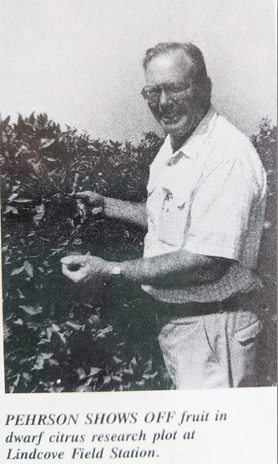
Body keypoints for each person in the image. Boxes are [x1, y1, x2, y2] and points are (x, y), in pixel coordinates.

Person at [61, 42, 267, 389]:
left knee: (213, 441)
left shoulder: (225, 155)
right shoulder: (175, 143)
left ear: (204, 88)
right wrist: (107, 205)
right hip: (188, 331)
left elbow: (206, 262)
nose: (163, 102)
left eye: (174, 88)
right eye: (153, 92)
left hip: (215, 332)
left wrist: (111, 269)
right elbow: (172, 220)